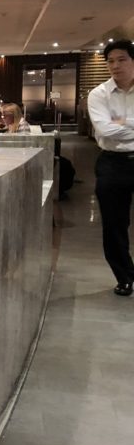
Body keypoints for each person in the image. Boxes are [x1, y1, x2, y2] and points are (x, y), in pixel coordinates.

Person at [87, 39, 134, 296]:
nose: (115, 66)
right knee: (114, 225)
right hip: (112, 163)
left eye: (122, 59)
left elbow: (115, 128)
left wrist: (123, 124)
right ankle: (124, 275)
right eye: (111, 61)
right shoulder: (99, 94)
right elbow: (105, 130)